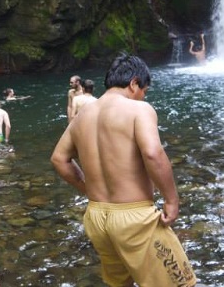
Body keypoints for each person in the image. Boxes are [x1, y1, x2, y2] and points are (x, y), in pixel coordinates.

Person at [51, 54, 197, 287]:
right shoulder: (139, 109)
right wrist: (171, 200)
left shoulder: (82, 116)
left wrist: (88, 188)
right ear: (133, 83)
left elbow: (59, 159)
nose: (143, 96)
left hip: (97, 217)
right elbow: (152, 153)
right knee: (182, 284)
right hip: (135, 219)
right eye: (144, 90)